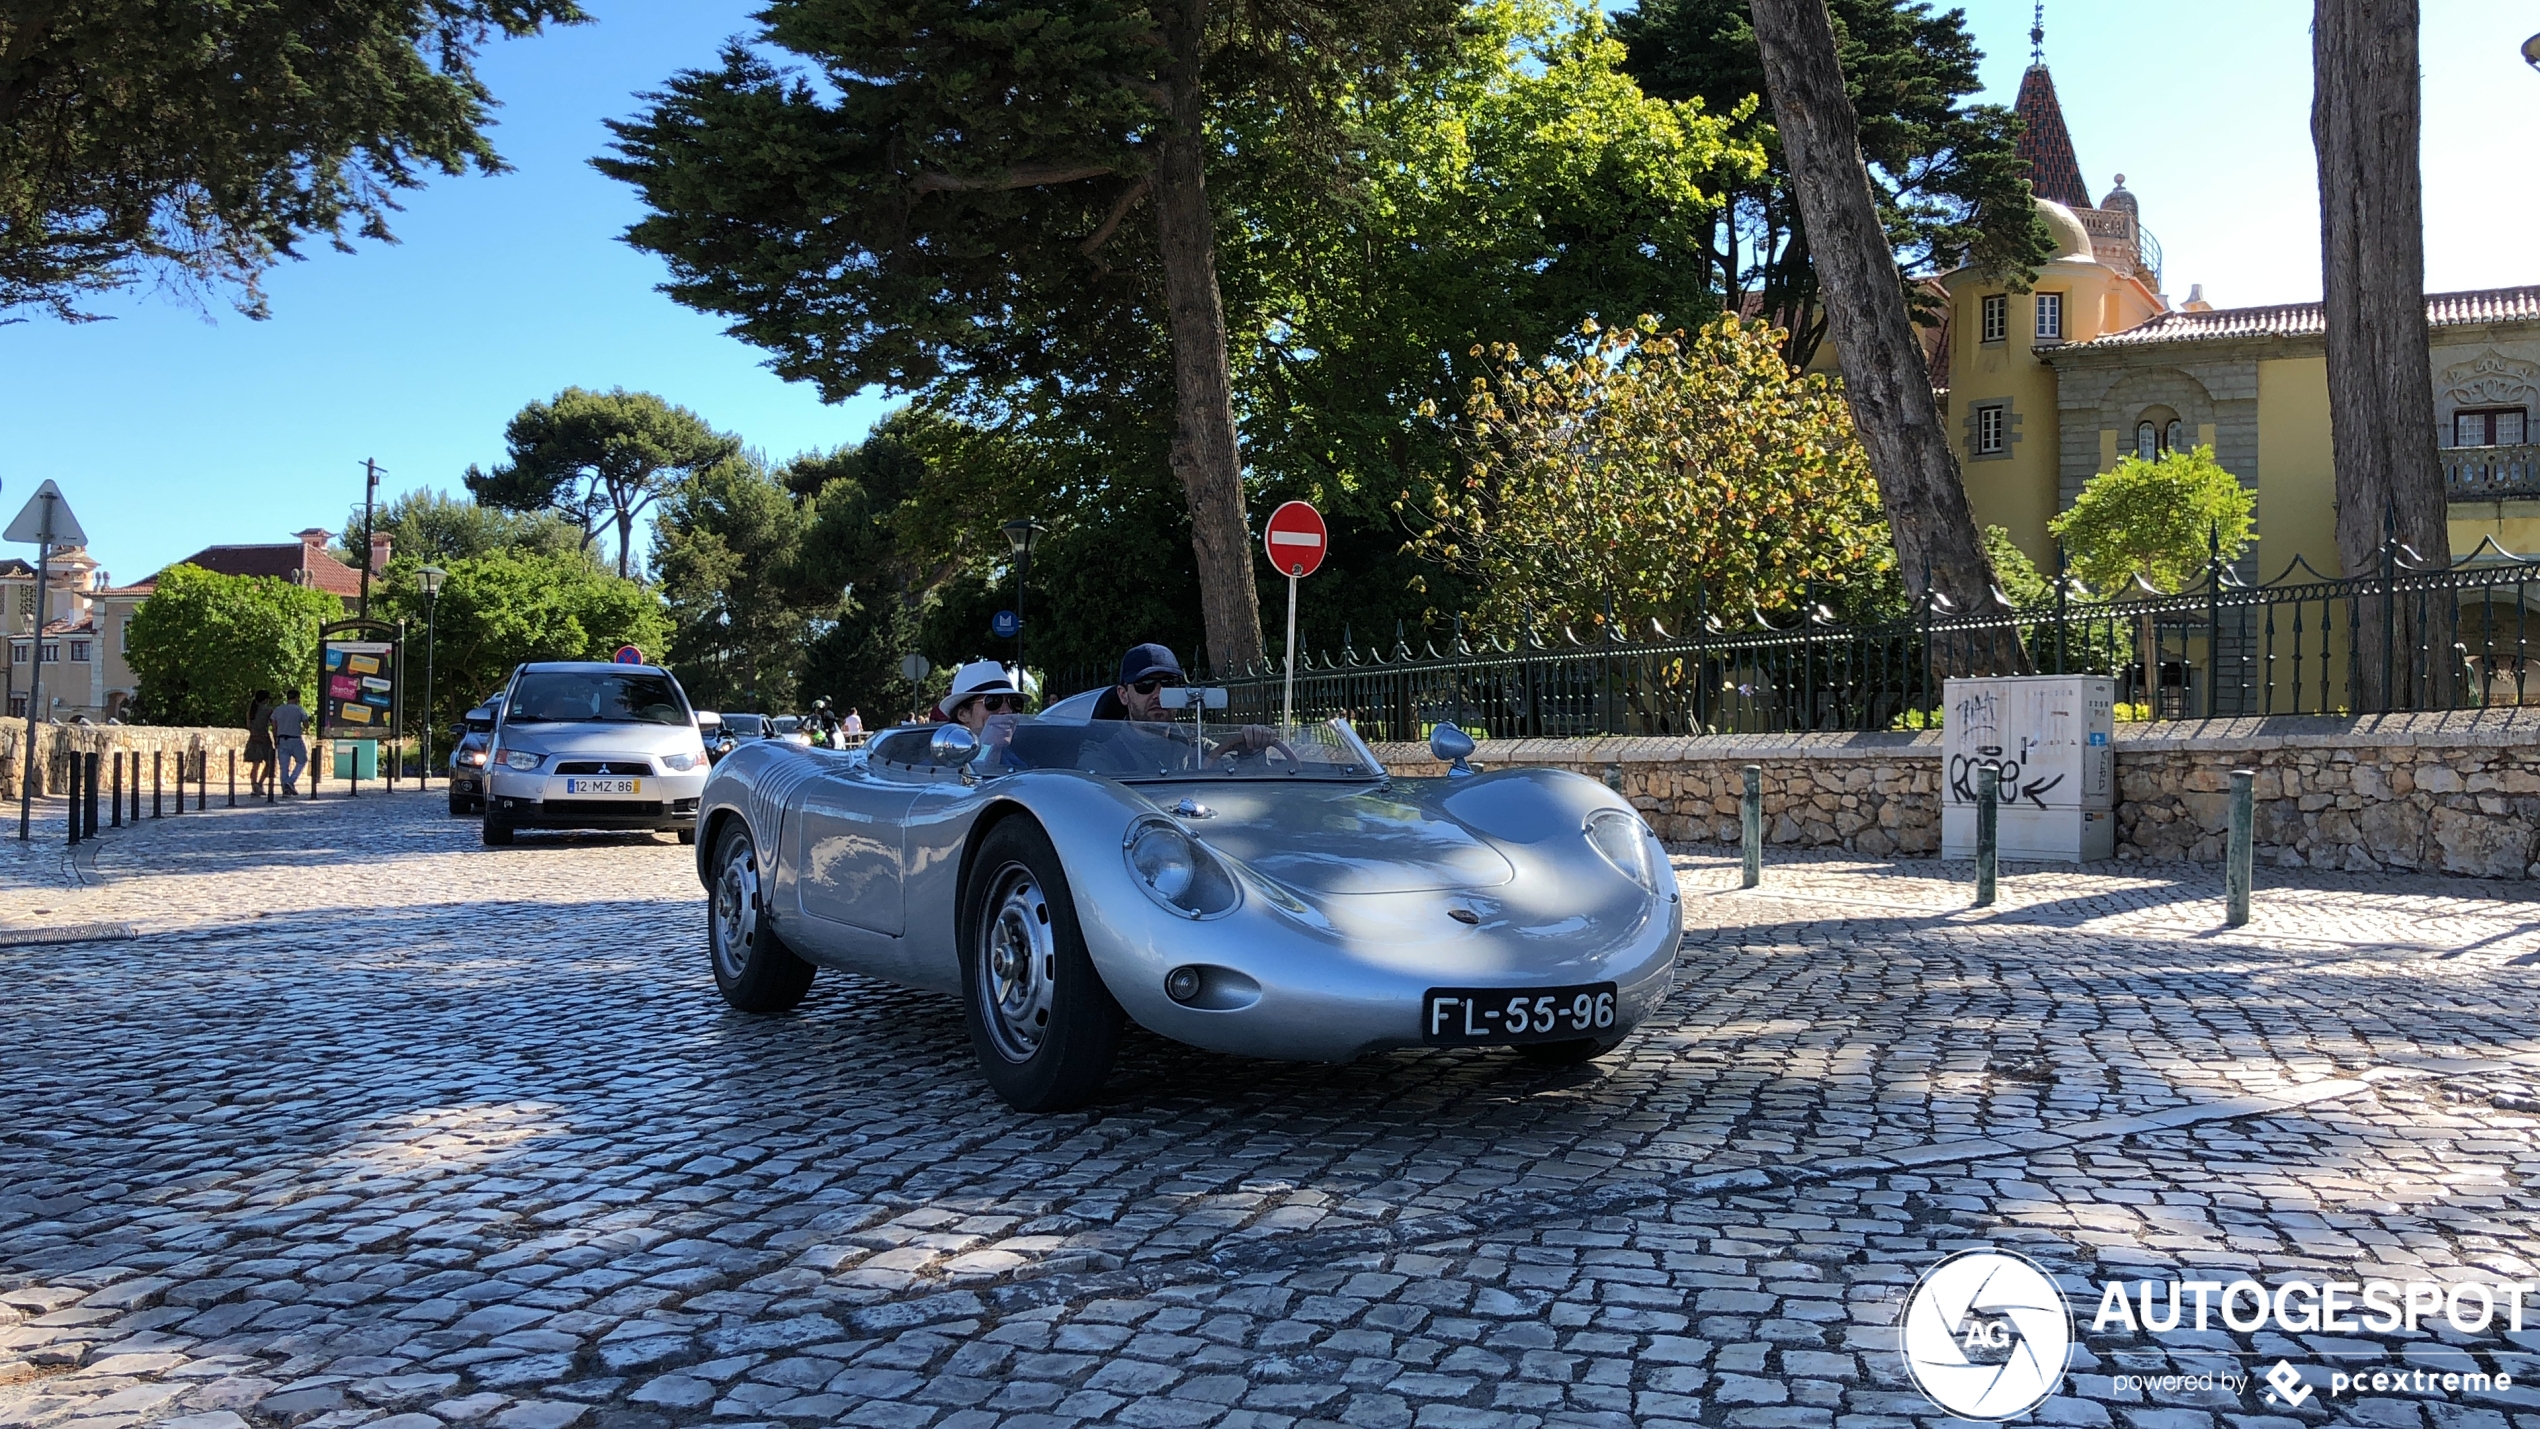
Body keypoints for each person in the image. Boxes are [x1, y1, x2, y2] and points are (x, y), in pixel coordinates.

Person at [939, 660, 1027, 767]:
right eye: (993, 701)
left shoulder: (1019, 767)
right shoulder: (935, 770)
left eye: (1014, 702)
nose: (1007, 711)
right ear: (963, 714)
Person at [272, 689, 310, 795]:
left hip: (281, 739)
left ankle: (285, 788)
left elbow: (274, 725)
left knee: (284, 766)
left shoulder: (278, 709)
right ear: (297, 698)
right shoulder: (299, 710)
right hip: (295, 739)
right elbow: (306, 724)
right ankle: (290, 781)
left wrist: (275, 739)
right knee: (302, 760)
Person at [243, 689, 276, 796]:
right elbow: (274, 723)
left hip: (253, 738)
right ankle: (260, 783)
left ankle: (254, 785)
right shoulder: (268, 710)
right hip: (264, 738)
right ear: (265, 700)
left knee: (255, 764)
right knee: (269, 763)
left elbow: (249, 726)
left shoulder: (251, 710)